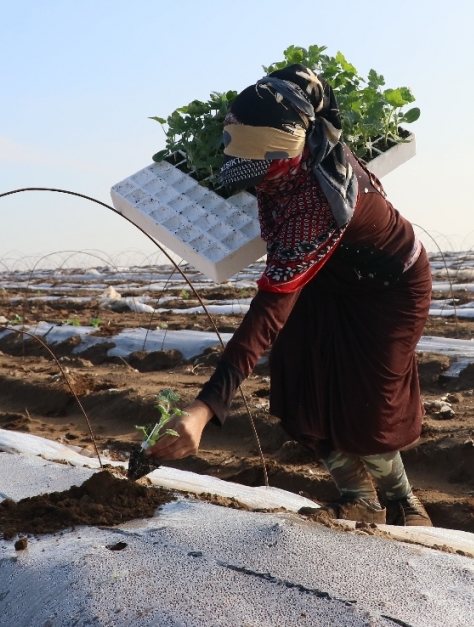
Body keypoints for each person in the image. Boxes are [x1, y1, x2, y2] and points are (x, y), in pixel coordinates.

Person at [147, 64, 432, 526]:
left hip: (388, 290)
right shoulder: (297, 135)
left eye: (262, 169)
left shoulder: (314, 205)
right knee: (304, 383)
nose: (254, 180)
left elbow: (266, 316)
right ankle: (358, 497)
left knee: (365, 403)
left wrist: (204, 408)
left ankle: (405, 504)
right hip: (328, 278)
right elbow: (299, 78)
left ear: (284, 155)